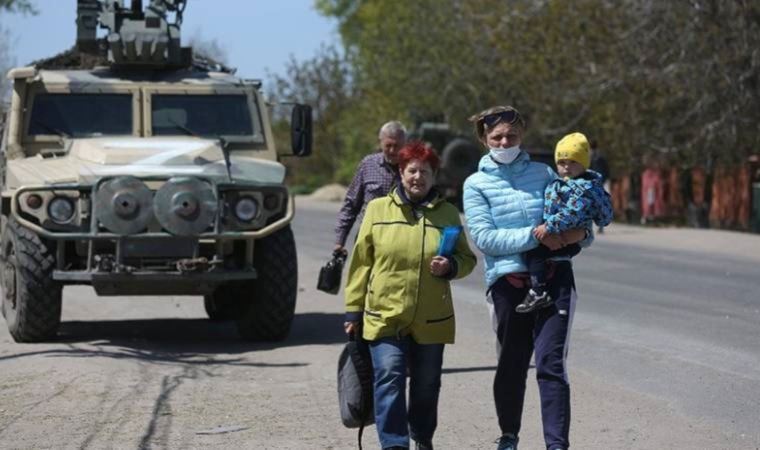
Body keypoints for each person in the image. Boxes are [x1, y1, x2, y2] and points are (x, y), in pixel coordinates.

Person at [462, 105, 590, 450]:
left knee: (550, 364)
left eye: (512, 135)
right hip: (508, 285)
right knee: (512, 365)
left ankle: (557, 444)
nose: (505, 141)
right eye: (497, 137)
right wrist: (536, 235)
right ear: (484, 140)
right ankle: (509, 435)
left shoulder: (545, 174)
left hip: (554, 278)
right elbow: (486, 239)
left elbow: (582, 227)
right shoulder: (475, 185)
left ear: (522, 136)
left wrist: (563, 238)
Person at [344, 141, 476, 450]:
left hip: (431, 318)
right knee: (388, 376)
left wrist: (452, 266)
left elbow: (467, 259)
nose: (418, 177)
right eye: (412, 170)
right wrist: (353, 310)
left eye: (425, 172)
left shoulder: (447, 214)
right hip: (384, 314)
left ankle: (422, 436)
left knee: (426, 386)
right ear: (401, 173)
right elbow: (361, 262)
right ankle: (394, 443)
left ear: (434, 176)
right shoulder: (377, 210)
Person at [515, 132, 613, 313]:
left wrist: (548, 226)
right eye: (562, 162)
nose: (566, 167)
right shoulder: (563, 182)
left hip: (566, 236)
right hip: (559, 233)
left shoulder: (583, 188)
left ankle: (538, 291)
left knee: (534, 253)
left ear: (583, 163)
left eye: (572, 162)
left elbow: (571, 213)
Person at [334, 121, 407, 255]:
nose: (392, 150)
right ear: (380, 143)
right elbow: (351, 204)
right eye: (388, 145)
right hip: (368, 239)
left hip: (401, 241)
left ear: (405, 144)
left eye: (397, 146)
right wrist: (340, 241)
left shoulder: (413, 169)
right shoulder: (368, 165)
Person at [589, 139, 611, 233]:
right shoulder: (590, 158)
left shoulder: (599, 158)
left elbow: (606, 171)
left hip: (598, 183)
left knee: (598, 204)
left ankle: (600, 225)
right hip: (591, 183)